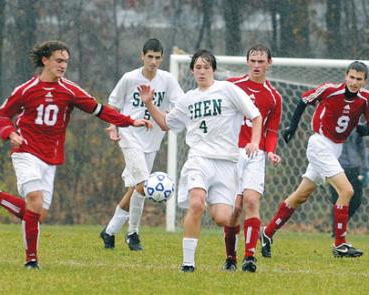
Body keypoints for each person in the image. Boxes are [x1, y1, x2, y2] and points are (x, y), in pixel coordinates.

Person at [0, 40, 151, 269]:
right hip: (25, 152)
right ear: (45, 60)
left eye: (66, 61)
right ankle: (31, 261)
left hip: (50, 159)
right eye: (58, 60)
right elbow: (3, 115)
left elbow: (100, 110)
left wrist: (130, 121)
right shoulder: (26, 90)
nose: (63, 65)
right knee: (34, 201)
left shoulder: (69, 91)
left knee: (37, 214)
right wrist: (10, 134)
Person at [138, 49, 263, 272]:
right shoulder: (188, 99)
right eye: (198, 67)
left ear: (213, 70)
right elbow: (167, 124)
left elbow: (255, 116)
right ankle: (188, 264)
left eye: (206, 67)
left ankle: (236, 226)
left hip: (227, 162)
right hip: (199, 158)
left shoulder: (228, 89)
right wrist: (149, 103)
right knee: (196, 203)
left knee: (222, 218)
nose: (202, 71)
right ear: (192, 71)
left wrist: (254, 141)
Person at [260, 61, 369, 259]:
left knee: (301, 195)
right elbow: (303, 100)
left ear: (364, 81)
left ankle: (267, 233)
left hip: (335, 148)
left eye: (359, 79)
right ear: (346, 76)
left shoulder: (365, 99)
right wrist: (292, 127)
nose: (354, 82)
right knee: (346, 190)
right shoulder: (329, 90)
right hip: (319, 144)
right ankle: (340, 244)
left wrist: (364, 130)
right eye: (351, 77)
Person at [99, 38, 184, 251]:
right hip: (130, 136)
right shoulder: (130, 79)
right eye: (149, 57)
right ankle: (133, 233)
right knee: (143, 185)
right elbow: (113, 105)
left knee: (136, 188)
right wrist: (113, 126)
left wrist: (168, 118)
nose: (153, 61)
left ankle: (109, 231)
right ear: (142, 56)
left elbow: (180, 106)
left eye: (157, 58)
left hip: (152, 140)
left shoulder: (168, 80)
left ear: (162, 58)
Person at [222, 44, 282, 272]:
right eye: (253, 61)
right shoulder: (230, 86)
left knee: (251, 201)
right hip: (230, 153)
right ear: (247, 62)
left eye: (261, 61)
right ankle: (230, 258)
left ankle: (249, 257)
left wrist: (272, 151)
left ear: (269, 63)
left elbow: (272, 131)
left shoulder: (274, 97)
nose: (257, 65)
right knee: (235, 208)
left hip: (255, 155)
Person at [329, 129, 369, 234]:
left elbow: (362, 149)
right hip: (336, 167)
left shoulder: (357, 126)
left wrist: (365, 169)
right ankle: (337, 230)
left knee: (356, 200)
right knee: (336, 199)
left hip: (354, 168)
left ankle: (340, 225)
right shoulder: (332, 124)